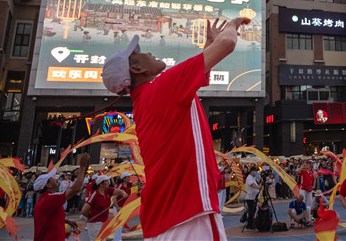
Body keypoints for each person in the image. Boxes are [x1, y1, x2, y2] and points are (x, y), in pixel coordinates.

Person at [101, 16, 249, 240]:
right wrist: (232, 24)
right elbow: (228, 44)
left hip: (171, 219)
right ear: (137, 67)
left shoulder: (149, 99)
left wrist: (209, 46)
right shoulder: (162, 88)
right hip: (189, 215)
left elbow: (203, 65)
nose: (149, 53)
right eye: (141, 53)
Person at [33, 153, 89, 241]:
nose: (55, 179)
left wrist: (66, 221)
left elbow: (50, 217)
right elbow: (76, 189)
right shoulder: (49, 198)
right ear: (48, 185)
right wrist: (82, 168)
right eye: (52, 178)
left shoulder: (44, 199)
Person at [81, 175, 128, 241]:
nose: (109, 182)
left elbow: (119, 191)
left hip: (104, 222)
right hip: (95, 223)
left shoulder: (108, 190)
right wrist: (89, 216)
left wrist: (124, 194)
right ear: (101, 184)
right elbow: (83, 211)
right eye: (106, 181)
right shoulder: (95, 194)